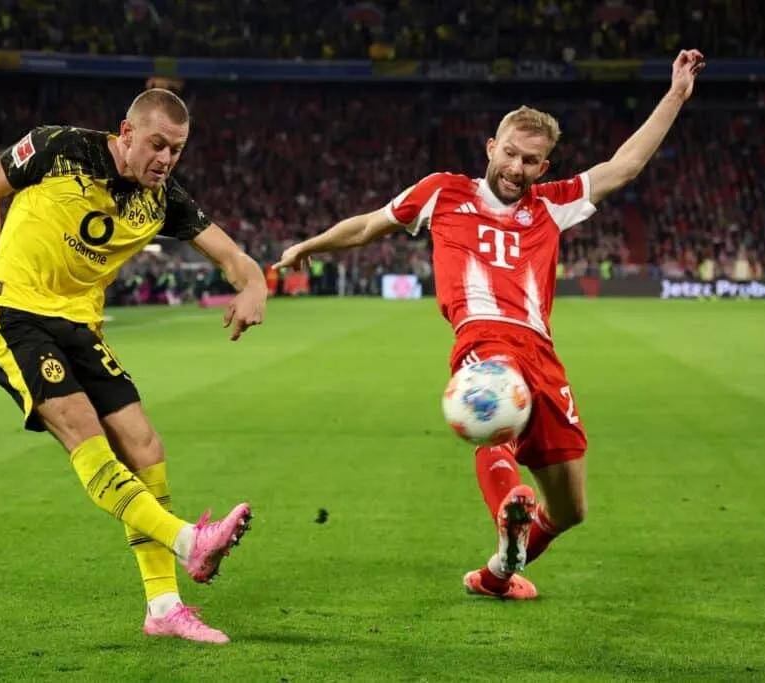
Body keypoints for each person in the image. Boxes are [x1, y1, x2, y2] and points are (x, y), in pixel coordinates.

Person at [276, 51, 705, 599]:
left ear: (544, 167)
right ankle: (507, 504)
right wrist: (308, 246)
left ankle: (497, 573)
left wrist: (675, 94)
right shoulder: (442, 192)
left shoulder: (553, 204)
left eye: (530, 161)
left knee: (571, 509)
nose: (516, 168)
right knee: (493, 416)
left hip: (542, 353)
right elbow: (367, 226)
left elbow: (624, 166)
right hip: (483, 336)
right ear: (490, 148)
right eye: (510, 153)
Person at [0, 88, 267, 642]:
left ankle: (163, 608)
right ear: (126, 133)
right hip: (16, 314)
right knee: (84, 432)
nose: (166, 159)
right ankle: (188, 541)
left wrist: (255, 285)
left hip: (80, 326)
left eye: (176, 150)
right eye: (157, 144)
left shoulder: (163, 200)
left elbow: (232, 256)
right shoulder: (58, 147)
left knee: (145, 446)